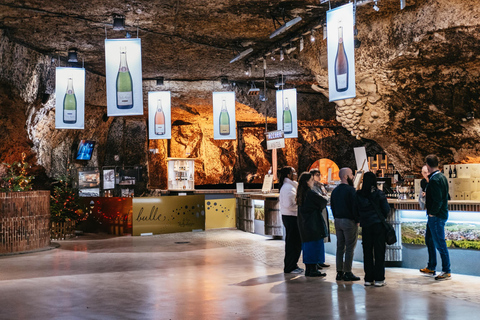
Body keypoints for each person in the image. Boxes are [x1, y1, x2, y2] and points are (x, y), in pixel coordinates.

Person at [355, 171, 390, 287]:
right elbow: (386, 210)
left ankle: (368, 278)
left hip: (365, 226)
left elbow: (356, 210)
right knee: (379, 252)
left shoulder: (358, 195)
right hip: (378, 226)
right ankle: (379, 279)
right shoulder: (379, 194)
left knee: (367, 252)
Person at [423, 154, 451, 280]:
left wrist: (432, 213)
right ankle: (431, 266)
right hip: (440, 214)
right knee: (429, 239)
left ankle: (446, 270)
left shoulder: (434, 180)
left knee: (440, 243)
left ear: (428, 166)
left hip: (436, 216)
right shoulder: (442, 177)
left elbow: (438, 200)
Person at [330, 167, 360, 281]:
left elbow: (332, 205)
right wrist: (357, 220)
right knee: (349, 248)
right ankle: (348, 272)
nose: (353, 176)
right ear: (346, 176)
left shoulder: (335, 191)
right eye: (352, 174)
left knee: (339, 247)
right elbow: (354, 206)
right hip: (349, 221)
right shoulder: (351, 190)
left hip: (337, 221)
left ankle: (339, 272)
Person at [296, 172, 328, 277]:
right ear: (307, 181)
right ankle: (314, 270)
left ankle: (309, 269)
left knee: (308, 247)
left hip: (304, 224)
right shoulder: (310, 193)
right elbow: (323, 201)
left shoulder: (301, 193)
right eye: (311, 180)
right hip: (313, 224)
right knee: (315, 246)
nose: (313, 181)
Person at [279, 166, 303, 274]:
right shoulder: (288, 187)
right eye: (294, 172)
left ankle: (292, 264)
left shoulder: (289, 186)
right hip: (291, 217)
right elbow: (289, 204)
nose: (296, 174)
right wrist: (299, 203)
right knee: (293, 243)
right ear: (288, 175)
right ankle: (290, 266)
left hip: (289, 216)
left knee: (293, 242)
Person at [309, 169, 330, 269]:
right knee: (318, 237)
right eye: (317, 175)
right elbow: (321, 199)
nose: (319, 177)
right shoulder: (312, 188)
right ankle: (316, 261)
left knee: (321, 237)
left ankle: (320, 259)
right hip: (317, 213)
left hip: (322, 212)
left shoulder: (320, 186)